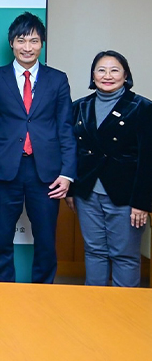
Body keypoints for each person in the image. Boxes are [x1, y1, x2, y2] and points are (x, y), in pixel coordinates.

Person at [0, 11, 76, 284]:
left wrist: (67, 173)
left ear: (42, 44)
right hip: (4, 169)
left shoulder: (57, 79)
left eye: (34, 41)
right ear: (12, 42)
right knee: (2, 238)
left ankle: (44, 292)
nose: (27, 47)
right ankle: (3, 292)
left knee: (46, 240)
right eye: (21, 40)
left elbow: (65, 128)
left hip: (46, 171)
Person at [68, 50, 151, 287]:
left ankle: (124, 308)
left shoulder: (142, 107)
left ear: (125, 75)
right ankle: (95, 304)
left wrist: (142, 203)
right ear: (93, 75)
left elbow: (148, 159)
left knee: (124, 255)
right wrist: (71, 191)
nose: (107, 76)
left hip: (126, 196)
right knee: (94, 251)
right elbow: (73, 152)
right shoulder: (79, 107)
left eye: (114, 70)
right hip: (87, 193)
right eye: (101, 70)